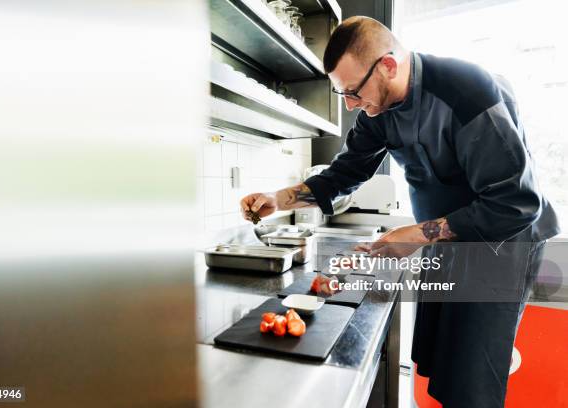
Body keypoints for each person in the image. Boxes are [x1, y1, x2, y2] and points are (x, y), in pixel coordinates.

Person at [240, 16, 560, 407]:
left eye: (354, 92)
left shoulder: (467, 91)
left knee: (472, 381)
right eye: (344, 94)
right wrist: (279, 199)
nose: (351, 105)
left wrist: (416, 235)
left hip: (501, 247)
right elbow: (344, 173)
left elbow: (516, 203)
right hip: (449, 243)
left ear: (388, 66)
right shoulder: (379, 111)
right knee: (441, 365)